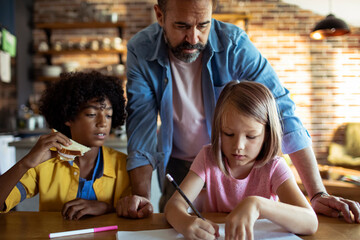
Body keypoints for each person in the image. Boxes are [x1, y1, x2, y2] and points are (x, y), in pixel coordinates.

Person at [120, 0, 360, 222]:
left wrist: (317, 193)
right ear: (160, 15)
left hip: (234, 160)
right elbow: (142, 122)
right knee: (177, 224)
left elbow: (281, 108)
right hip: (179, 163)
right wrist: (141, 198)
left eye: (203, 25)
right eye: (182, 26)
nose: (193, 37)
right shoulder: (141, 49)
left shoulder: (234, 43)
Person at [165, 81, 319, 239]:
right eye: (228, 134)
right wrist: (185, 223)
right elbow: (173, 206)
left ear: (267, 134)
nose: (238, 146)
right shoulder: (207, 157)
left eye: (251, 136)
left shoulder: (274, 167)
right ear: (219, 129)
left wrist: (257, 204)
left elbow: (310, 222)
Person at [0, 71, 131, 220]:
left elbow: (132, 213)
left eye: (108, 115)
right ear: (68, 117)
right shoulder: (45, 161)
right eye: (91, 114)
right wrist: (25, 163)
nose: (103, 123)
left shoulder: (123, 165)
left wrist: (106, 207)